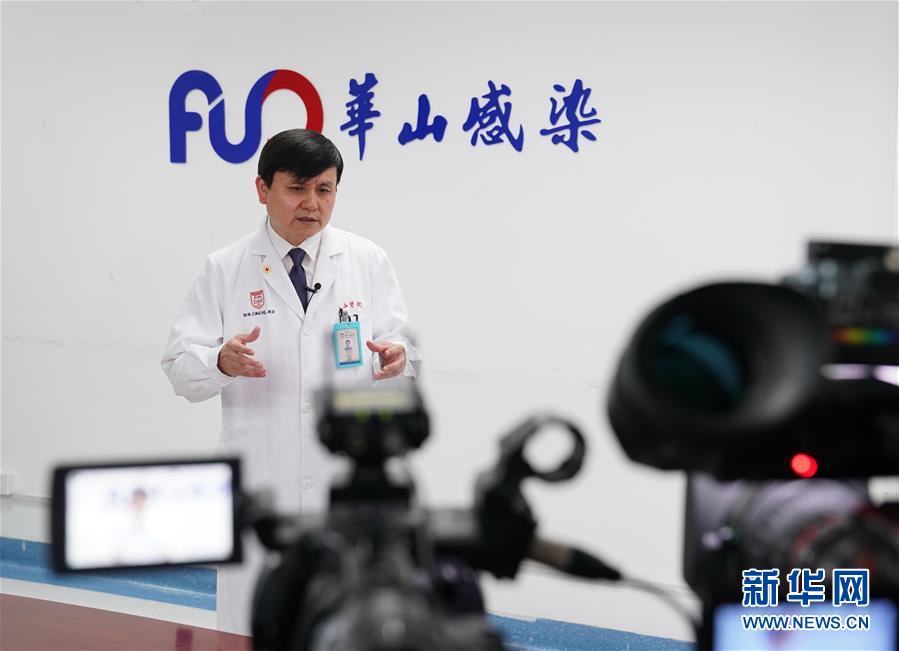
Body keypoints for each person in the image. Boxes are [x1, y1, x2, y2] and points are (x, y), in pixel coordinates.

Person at [161, 129, 421, 634]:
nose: (312, 204)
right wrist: (219, 361)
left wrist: (398, 358)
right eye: (297, 188)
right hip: (262, 482)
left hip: (342, 478)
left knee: (342, 625)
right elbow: (179, 367)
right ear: (263, 189)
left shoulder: (367, 260)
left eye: (324, 189)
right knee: (252, 625)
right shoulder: (225, 269)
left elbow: (401, 347)